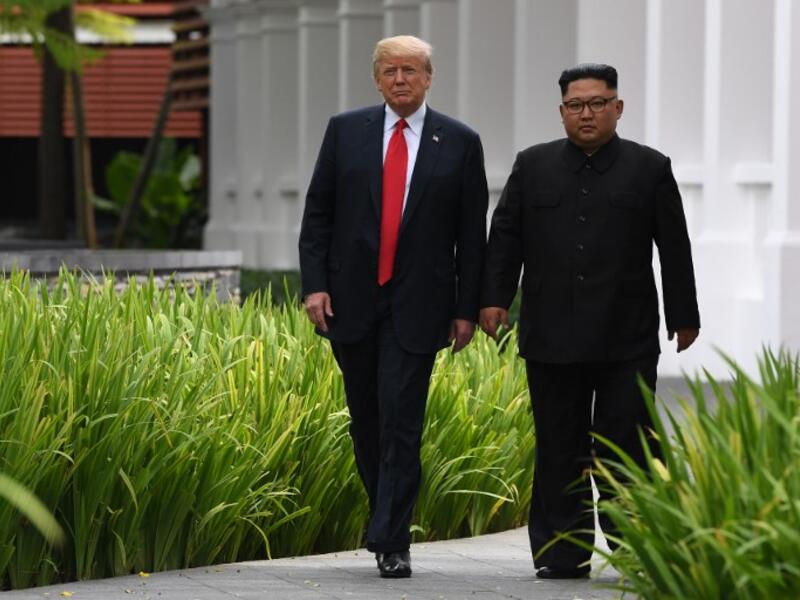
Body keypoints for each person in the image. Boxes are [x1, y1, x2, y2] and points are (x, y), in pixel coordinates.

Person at [479, 63, 700, 580]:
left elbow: (674, 247)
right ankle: (562, 554)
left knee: (629, 445)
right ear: (561, 112)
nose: (587, 113)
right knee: (559, 446)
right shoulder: (532, 166)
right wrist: (492, 300)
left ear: (617, 108)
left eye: (598, 103)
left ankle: (636, 550)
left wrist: (684, 315)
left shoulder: (649, 168)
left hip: (627, 337)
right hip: (550, 334)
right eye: (576, 105)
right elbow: (505, 237)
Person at [298, 35, 488, 578]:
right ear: (377, 79)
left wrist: (466, 308)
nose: (400, 79)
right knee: (368, 420)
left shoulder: (459, 141)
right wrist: (315, 286)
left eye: (410, 70)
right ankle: (386, 516)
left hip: (420, 304)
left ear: (429, 77)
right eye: (389, 71)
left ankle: (391, 538)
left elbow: (469, 236)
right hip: (351, 302)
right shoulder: (345, 131)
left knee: (402, 418)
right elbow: (318, 215)